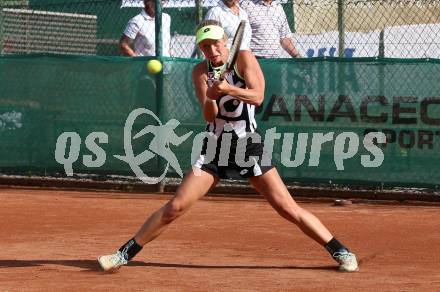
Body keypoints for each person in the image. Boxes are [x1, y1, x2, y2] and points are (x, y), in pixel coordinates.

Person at [97, 19, 359, 273]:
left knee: (287, 209)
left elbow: (257, 97)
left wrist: (228, 89)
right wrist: (211, 96)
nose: (212, 50)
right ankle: (122, 255)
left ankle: (341, 251)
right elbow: (209, 117)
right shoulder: (200, 71)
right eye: (205, 46)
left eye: (216, 43)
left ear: (225, 41)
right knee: (175, 207)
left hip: (248, 146)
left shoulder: (244, 58)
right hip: (214, 147)